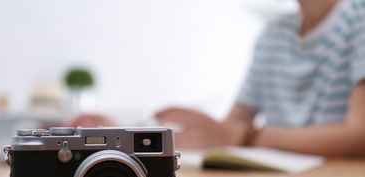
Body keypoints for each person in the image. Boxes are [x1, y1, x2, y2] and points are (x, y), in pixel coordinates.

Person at [67, 0, 365, 156]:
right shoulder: (274, 35)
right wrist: (129, 132)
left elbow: (359, 134)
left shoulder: (358, 16)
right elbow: (227, 126)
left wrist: (239, 136)